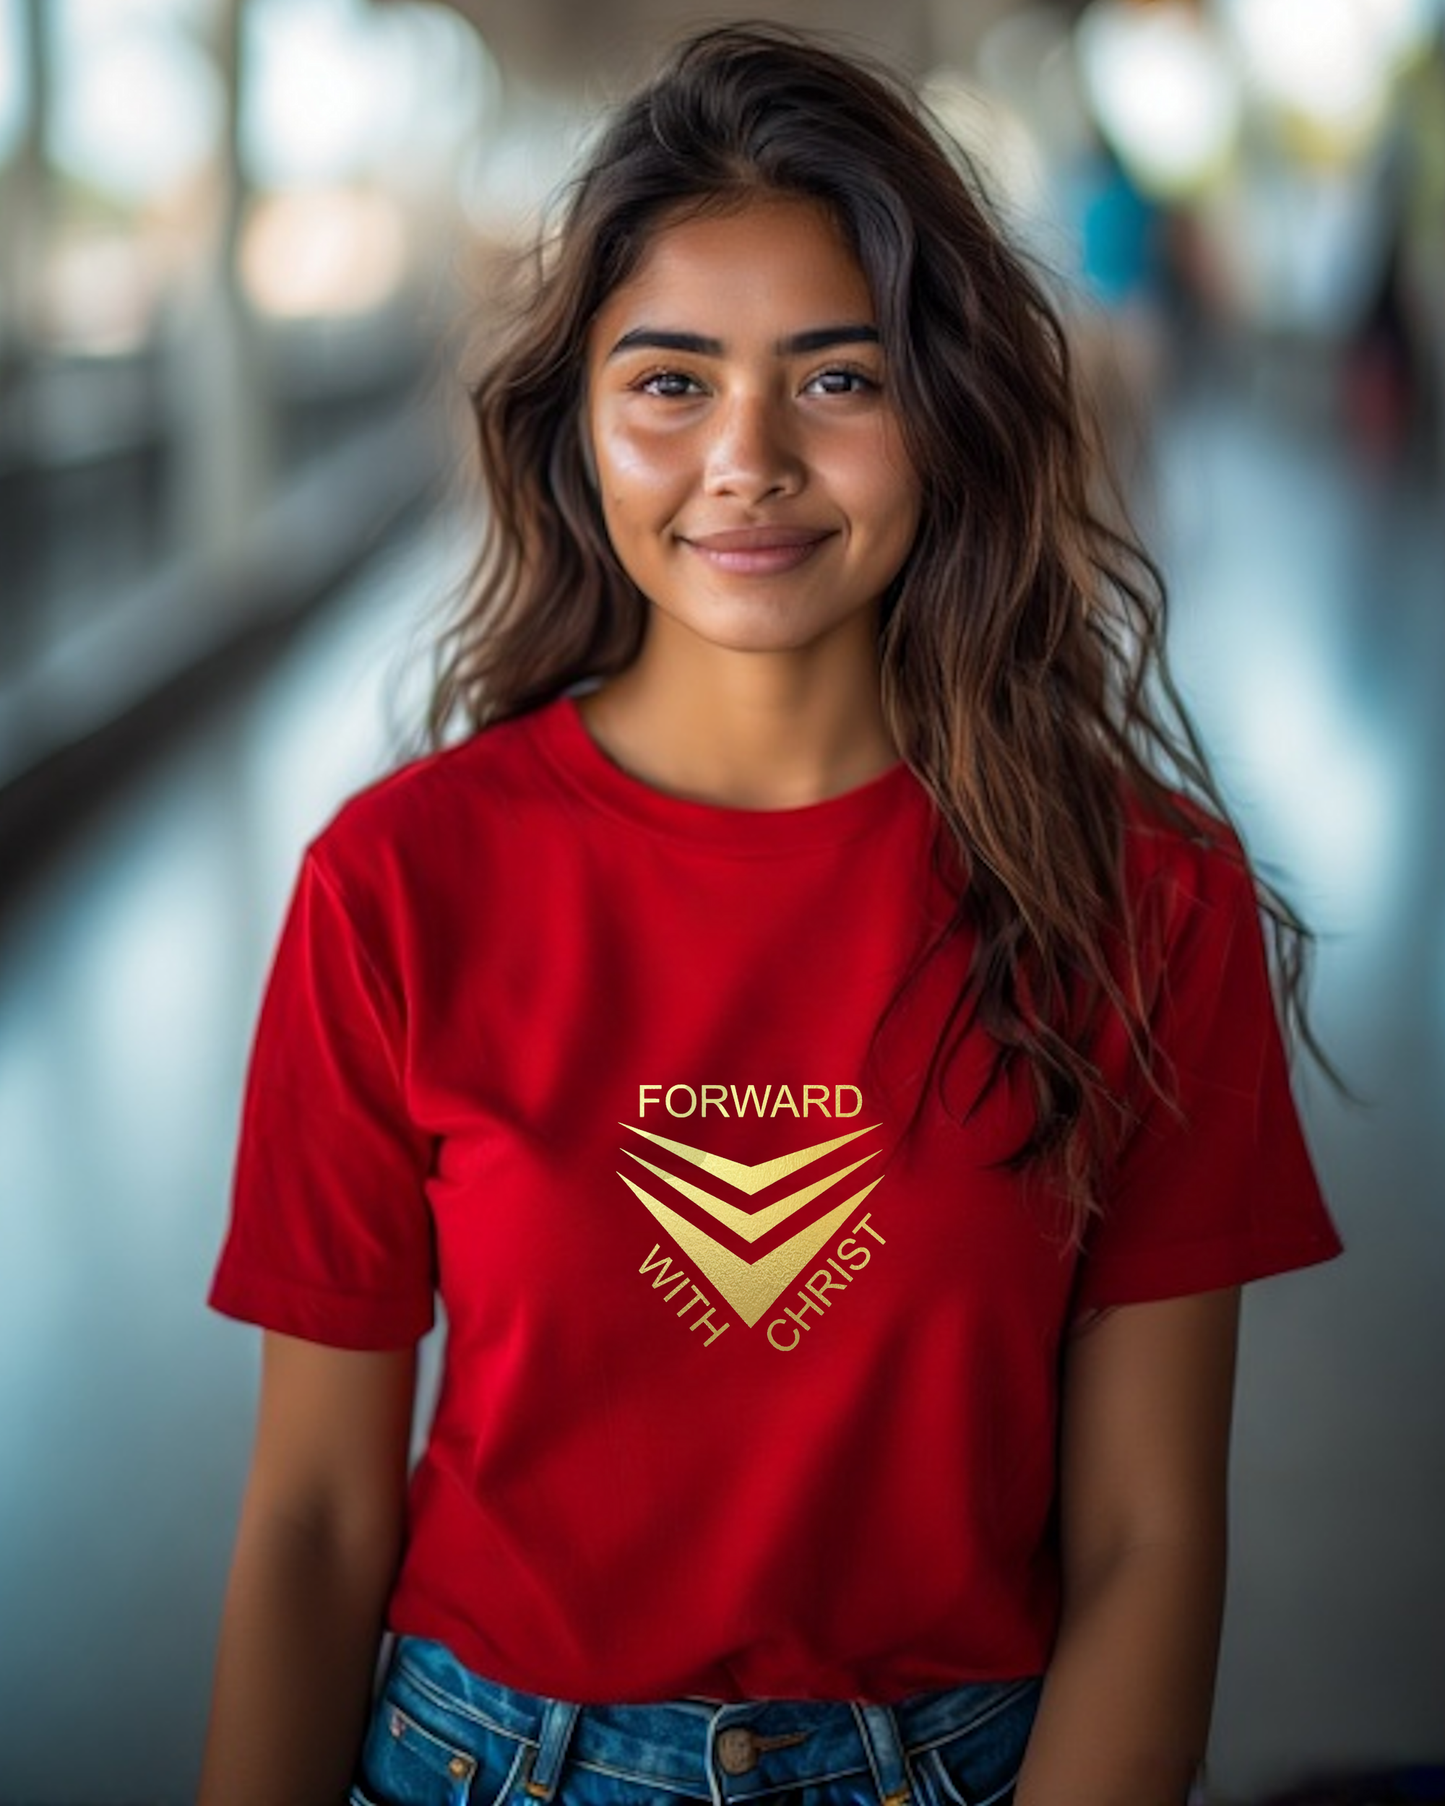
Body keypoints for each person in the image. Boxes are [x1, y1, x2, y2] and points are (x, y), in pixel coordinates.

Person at [199, 24, 1342, 1806]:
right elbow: (316, 1517)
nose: (746, 459)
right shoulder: (400, 884)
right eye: (670, 382)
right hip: (479, 1758)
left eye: (837, 379)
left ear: (944, 411)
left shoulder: (1141, 896)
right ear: (578, 422)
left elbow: (1145, 1535)